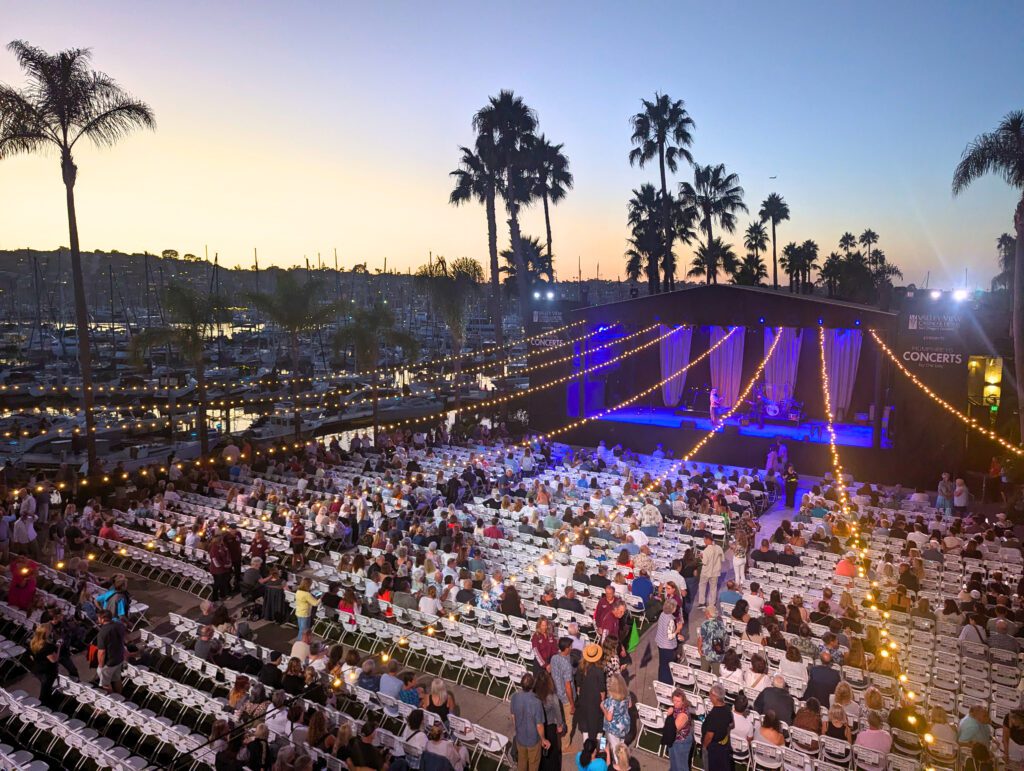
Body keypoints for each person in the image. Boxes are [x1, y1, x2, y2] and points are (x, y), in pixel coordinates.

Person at [510, 673, 549, 771]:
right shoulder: (537, 702)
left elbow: (513, 716)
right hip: (533, 741)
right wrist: (543, 739)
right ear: (532, 685)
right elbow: (539, 725)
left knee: (521, 762)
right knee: (533, 765)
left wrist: (517, 730)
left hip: (520, 738)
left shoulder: (515, 697)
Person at [575, 644, 606, 742]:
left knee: (585, 727)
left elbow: (578, 687)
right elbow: (602, 690)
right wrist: (603, 703)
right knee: (600, 727)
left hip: (584, 699)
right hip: (596, 701)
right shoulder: (599, 670)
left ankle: (587, 747)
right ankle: (601, 748)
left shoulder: (581, 668)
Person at [534, 670, 564, 771]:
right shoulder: (552, 696)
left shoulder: (535, 695)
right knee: (552, 751)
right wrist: (560, 724)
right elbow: (558, 712)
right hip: (550, 726)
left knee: (541, 750)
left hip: (538, 726)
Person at [701, 685, 734, 770]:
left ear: (715, 696)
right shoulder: (727, 709)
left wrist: (704, 746)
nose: (709, 696)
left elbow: (709, 735)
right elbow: (731, 724)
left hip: (713, 748)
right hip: (722, 746)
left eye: (710, 694)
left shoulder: (713, 715)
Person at [95, 608, 126, 694]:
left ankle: (113, 699)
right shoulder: (119, 625)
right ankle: (120, 696)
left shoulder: (102, 633)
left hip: (109, 663)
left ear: (102, 619)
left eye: (98, 618)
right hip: (119, 658)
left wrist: (100, 666)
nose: (98, 619)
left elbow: (101, 652)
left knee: (105, 684)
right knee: (117, 679)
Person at [30, 623, 60, 708]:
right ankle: (42, 708)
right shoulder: (47, 646)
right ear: (45, 633)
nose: (51, 631)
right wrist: (59, 647)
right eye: (50, 630)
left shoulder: (33, 642)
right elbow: (54, 660)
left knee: (46, 689)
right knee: (44, 692)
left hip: (38, 669)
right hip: (47, 672)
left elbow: (31, 657)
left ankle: (46, 704)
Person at [655, 598, 684, 684]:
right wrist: (678, 630)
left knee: (662, 665)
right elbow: (670, 636)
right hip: (667, 647)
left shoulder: (662, 614)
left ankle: (661, 681)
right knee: (668, 667)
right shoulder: (670, 620)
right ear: (673, 608)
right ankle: (668, 683)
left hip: (660, 643)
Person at [601, 673, 630, 754]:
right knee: (621, 744)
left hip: (613, 728)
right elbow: (630, 705)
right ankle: (622, 755)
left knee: (615, 749)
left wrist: (603, 708)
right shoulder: (626, 695)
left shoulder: (611, 701)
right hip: (624, 724)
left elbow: (609, 718)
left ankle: (616, 759)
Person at [665, 689, 693, 771]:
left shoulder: (683, 715)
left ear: (683, 701)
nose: (676, 703)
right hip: (674, 740)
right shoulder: (676, 709)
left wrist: (669, 715)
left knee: (681, 767)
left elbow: (672, 730)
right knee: (674, 765)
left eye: (678, 701)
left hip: (681, 742)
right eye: (674, 700)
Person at [696, 606, 728, 674]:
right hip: (718, 652)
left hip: (707, 652)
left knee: (704, 671)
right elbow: (725, 638)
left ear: (708, 613)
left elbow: (701, 638)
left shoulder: (705, 624)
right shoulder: (721, 624)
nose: (705, 613)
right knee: (716, 673)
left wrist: (699, 649)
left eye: (706, 612)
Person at [697, 535, 723, 608]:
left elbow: (705, 562)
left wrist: (701, 557)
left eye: (704, 540)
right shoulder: (719, 548)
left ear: (708, 540)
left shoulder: (706, 550)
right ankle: (712, 603)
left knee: (702, 586)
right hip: (715, 572)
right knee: (713, 588)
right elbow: (722, 559)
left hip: (706, 572)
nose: (704, 541)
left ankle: (702, 603)